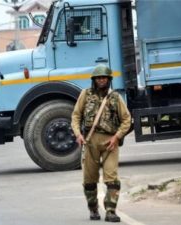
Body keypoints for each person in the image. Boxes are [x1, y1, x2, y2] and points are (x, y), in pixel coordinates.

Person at [71, 64, 131, 222]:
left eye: (104, 77)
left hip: (110, 142)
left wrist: (117, 137)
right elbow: (76, 116)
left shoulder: (115, 98)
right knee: (89, 180)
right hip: (90, 142)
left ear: (109, 79)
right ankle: (93, 209)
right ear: (94, 80)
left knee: (112, 178)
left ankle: (111, 211)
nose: (101, 80)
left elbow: (126, 119)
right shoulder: (85, 94)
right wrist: (78, 134)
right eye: (98, 77)